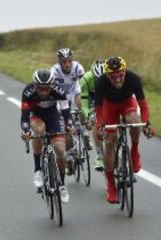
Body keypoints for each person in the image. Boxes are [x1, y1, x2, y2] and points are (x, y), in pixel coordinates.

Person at [95, 56, 155, 203]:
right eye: (112, 77)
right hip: (109, 107)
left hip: (127, 103)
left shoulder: (133, 78)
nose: (117, 80)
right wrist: (99, 126)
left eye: (120, 75)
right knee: (110, 142)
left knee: (134, 120)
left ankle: (134, 150)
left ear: (125, 72)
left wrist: (147, 124)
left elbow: (143, 106)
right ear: (107, 75)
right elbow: (98, 109)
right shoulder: (101, 82)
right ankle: (110, 186)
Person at [20, 69, 74, 203]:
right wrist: (26, 131)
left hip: (53, 116)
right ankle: (37, 169)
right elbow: (24, 117)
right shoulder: (28, 91)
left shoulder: (59, 90)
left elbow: (66, 112)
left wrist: (69, 125)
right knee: (39, 130)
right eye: (40, 88)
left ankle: (61, 185)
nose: (44, 92)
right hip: (36, 116)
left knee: (61, 150)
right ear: (35, 85)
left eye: (46, 88)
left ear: (52, 85)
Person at [51, 48, 85, 175]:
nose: (67, 64)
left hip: (74, 93)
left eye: (69, 61)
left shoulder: (78, 67)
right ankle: (70, 155)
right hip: (61, 98)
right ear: (60, 62)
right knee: (65, 127)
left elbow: (84, 83)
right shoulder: (54, 70)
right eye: (64, 61)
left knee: (82, 102)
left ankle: (84, 129)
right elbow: (52, 87)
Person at [80, 59, 105, 171]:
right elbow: (84, 105)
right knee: (95, 121)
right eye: (97, 79)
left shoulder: (111, 79)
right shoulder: (85, 79)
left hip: (106, 97)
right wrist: (89, 116)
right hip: (92, 97)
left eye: (103, 79)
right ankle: (99, 156)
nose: (100, 82)